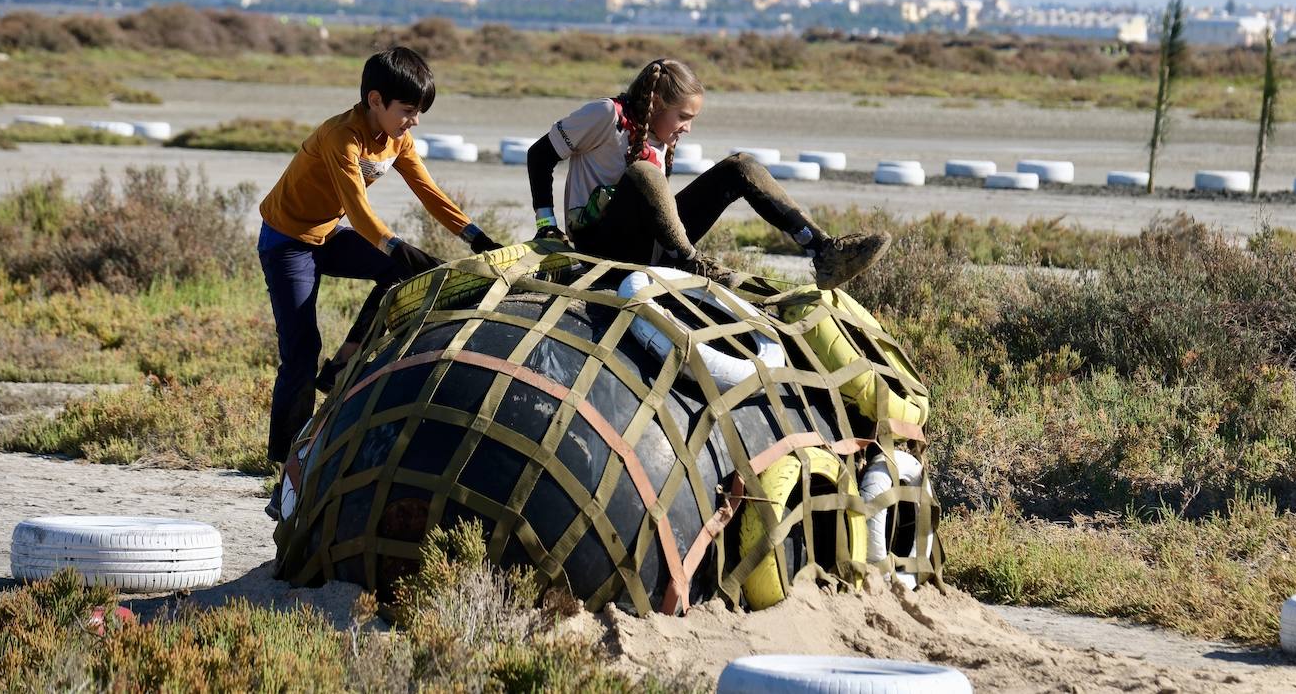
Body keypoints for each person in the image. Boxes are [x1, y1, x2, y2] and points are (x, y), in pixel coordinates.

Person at [258, 46, 501, 474]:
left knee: (396, 271)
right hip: (288, 241)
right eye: (408, 110)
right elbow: (357, 208)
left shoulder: (398, 139)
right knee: (301, 350)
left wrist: (476, 236)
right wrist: (396, 245)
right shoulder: (341, 137)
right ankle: (282, 458)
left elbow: (430, 192)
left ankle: (344, 363)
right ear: (375, 100)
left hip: (328, 234)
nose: (415, 121)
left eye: (419, 112)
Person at [526, 57, 890, 288]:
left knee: (739, 166)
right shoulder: (606, 115)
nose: (687, 128)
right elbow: (539, 155)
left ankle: (825, 251)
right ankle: (691, 264)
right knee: (643, 175)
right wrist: (547, 226)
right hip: (601, 246)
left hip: (650, 243)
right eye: (683, 117)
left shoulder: (661, 134)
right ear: (655, 104)